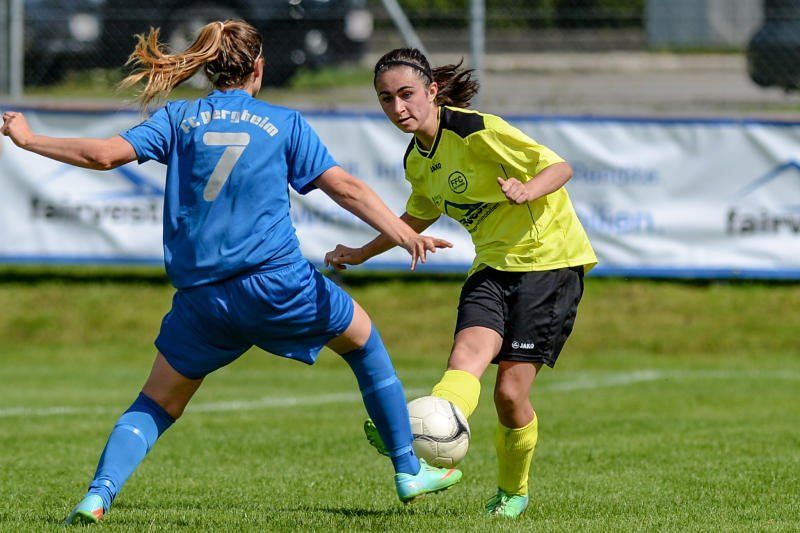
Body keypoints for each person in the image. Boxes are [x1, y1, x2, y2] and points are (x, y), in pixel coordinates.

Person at [1, 25, 463, 526]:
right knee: (364, 343)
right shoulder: (283, 123)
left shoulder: (178, 118)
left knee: (156, 402)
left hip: (203, 298)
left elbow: (102, 156)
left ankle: (97, 495)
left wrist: (28, 138)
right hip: (277, 284)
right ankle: (408, 470)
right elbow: (345, 188)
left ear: (208, 69)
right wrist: (402, 233)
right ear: (258, 68)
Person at [324, 48, 597, 519]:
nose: (398, 108)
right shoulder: (417, 160)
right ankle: (418, 431)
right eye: (386, 99)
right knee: (466, 357)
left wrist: (527, 190)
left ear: (432, 91)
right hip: (491, 266)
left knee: (509, 395)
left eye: (407, 94)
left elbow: (559, 168)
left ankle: (513, 491)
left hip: (549, 263)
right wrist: (362, 252)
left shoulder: (476, 131)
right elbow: (418, 214)